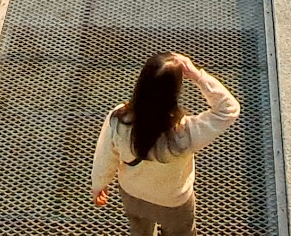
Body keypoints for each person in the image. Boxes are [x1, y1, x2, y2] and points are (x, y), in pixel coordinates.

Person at [92, 53, 239, 233]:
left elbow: (105, 154)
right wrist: (197, 75)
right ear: (175, 92)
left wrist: (99, 184)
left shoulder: (120, 119)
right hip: (174, 202)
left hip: (133, 194)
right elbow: (228, 109)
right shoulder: (185, 133)